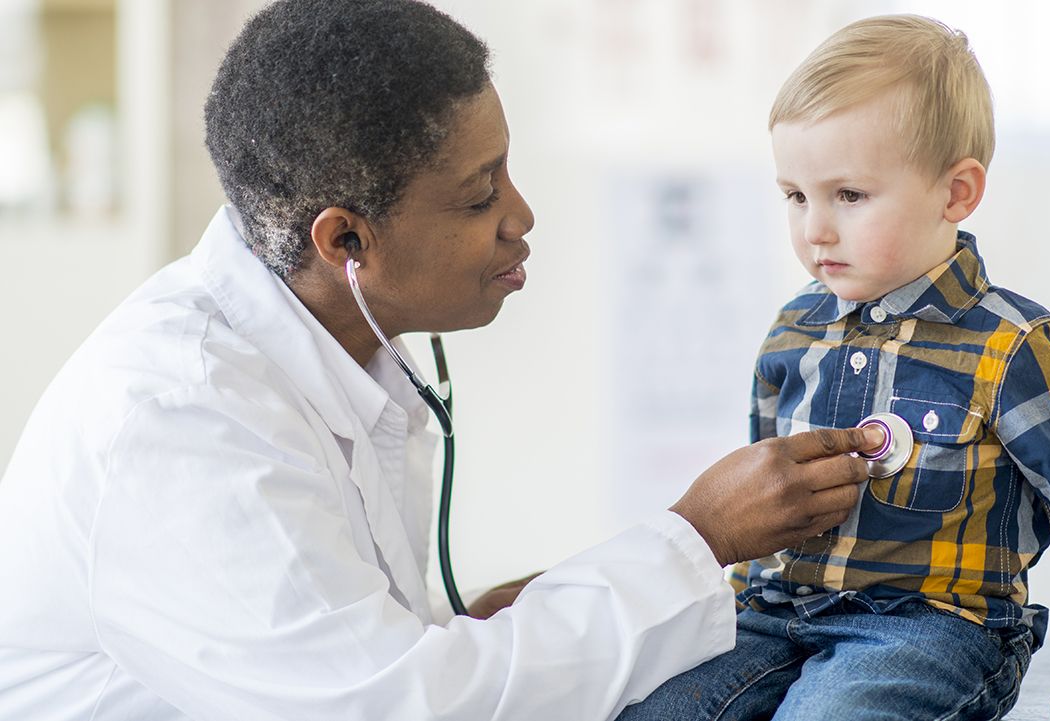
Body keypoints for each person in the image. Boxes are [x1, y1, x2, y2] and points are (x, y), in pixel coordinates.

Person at [0, 1, 886, 719]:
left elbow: (364, 655)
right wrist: (698, 535)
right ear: (346, 238)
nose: (521, 216)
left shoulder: (335, 347)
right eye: (478, 195)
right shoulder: (181, 419)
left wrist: (483, 623)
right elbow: (396, 705)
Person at [617, 14, 1050, 721]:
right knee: (644, 708)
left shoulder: (1013, 344)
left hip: (929, 626)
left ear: (956, 193)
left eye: (849, 195)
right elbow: (764, 504)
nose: (815, 229)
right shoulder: (792, 331)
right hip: (777, 613)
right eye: (796, 196)